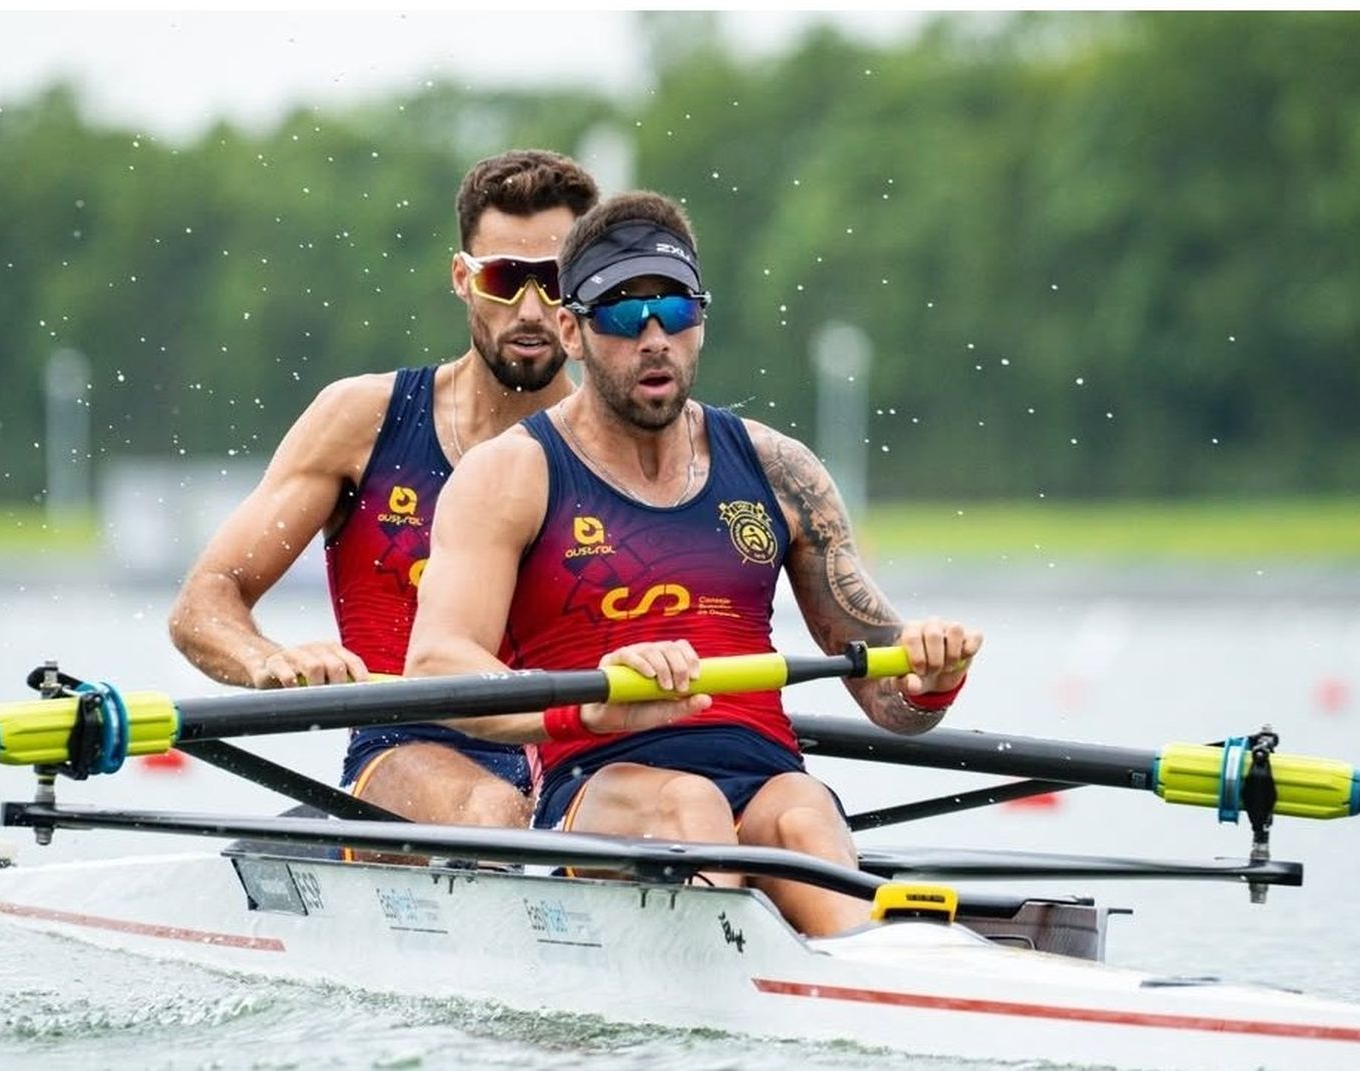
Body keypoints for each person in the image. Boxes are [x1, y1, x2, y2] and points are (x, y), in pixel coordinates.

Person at [404, 190, 982, 937]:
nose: (653, 337)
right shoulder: (509, 475)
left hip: (766, 777)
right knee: (691, 806)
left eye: (674, 310)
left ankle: (895, 987)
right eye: (620, 312)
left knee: (804, 812)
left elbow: (889, 701)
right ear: (572, 331)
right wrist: (589, 702)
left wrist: (931, 680)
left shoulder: (780, 470)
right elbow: (435, 668)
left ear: (700, 321)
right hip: (599, 783)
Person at [168, 149, 600, 827]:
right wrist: (272, 661)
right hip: (408, 750)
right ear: (462, 278)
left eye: (552, 280)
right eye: (504, 278)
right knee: (492, 809)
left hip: (573, 758)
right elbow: (204, 602)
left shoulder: (621, 447)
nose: (530, 307)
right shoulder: (363, 422)